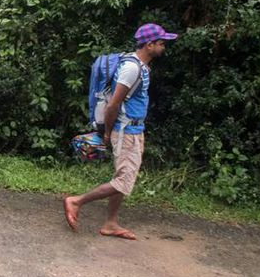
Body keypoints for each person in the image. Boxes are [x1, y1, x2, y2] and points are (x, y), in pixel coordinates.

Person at [63, 24, 176, 241]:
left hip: (133, 129)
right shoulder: (132, 69)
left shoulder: (141, 66)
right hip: (125, 131)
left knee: (122, 177)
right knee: (124, 180)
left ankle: (111, 222)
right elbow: (113, 105)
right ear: (149, 44)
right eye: (161, 43)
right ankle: (76, 201)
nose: (163, 47)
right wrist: (107, 133)